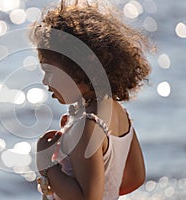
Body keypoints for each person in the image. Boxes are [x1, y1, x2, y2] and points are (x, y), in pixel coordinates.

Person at [30, 0, 152, 199]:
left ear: (78, 70)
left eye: (49, 72)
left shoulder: (86, 127)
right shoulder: (119, 113)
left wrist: (47, 166)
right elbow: (135, 178)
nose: (44, 80)